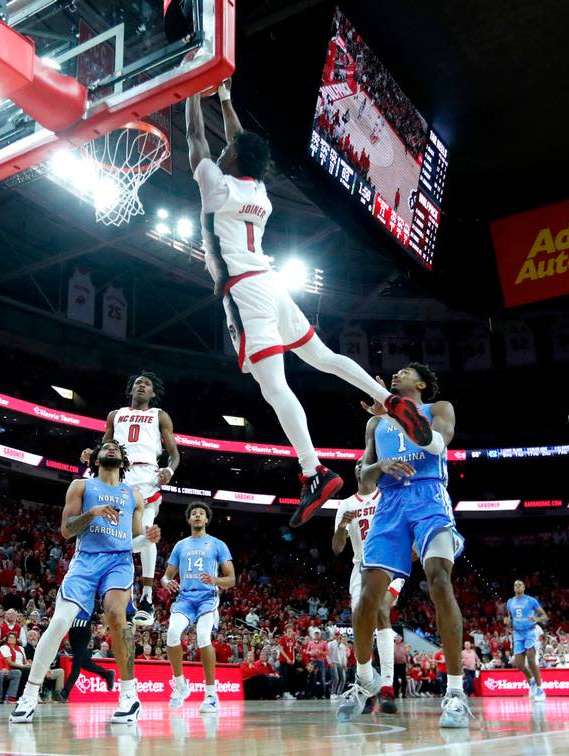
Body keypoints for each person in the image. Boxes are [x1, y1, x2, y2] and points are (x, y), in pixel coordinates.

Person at [185, 82, 433, 525]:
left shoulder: (217, 186)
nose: (221, 151)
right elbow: (237, 142)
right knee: (323, 356)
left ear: (233, 160)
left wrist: (189, 93)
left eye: (228, 151)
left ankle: (312, 471)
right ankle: (387, 398)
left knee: (273, 386)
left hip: (245, 292)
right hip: (273, 284)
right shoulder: (258, 191)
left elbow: (194, 139)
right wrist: (224, 96)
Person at [337, 363, 470, 728]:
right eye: (394, 374)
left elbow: (439, 441)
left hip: (428, 496)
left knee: (439, 580)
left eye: (405, 372)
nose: (396, 375)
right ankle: (364, 680)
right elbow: (362, 475)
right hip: (389, 504)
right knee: (367, 597)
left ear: (422, 383)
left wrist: (397, 411)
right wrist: (381, 463)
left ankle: (456, 693)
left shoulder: (438, 408)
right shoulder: (373, 424)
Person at [10, 440, 160, 724]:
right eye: (107, 446)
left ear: (124, 460)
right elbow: (67, 532)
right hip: (86, 561)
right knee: (59, 622)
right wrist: (92, 513)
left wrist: (148, 539)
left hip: (118, 561)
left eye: (116, 446)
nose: (112, 447)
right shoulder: (81, 486)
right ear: (96, 458)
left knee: (117, 615)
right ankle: (29, 694)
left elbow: (134, 542)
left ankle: (129, 695)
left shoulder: (134, 496)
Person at [81, 371, 181, 627]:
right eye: (138, 383)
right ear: (131, 389)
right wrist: (91, 455)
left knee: (146, 533)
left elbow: (174, 454)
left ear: (153, 393)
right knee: (113, 536)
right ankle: (115, 593)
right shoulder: (115, 415)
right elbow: (104, 448)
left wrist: (169, 470)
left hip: (147, 476)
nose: (141, 386)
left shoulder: (159, 415)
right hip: (119, 477)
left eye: (147, 384)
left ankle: (147, 597)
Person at [330, 459, 406, 712]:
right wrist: (342, 526)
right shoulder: (346, 504)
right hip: (360, 567)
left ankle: (387, 686)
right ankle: (366, 682)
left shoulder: (387, 495)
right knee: (359, 618)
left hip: (389, 563)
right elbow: (337, 548)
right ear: (355, 472)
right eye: (359, 465)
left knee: (382, 612)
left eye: (368, 463)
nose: (363, 467)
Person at [161, 501, 235, 713]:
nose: (197, 516)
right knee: (172, 634)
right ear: (188, 519)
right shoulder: (180, 545)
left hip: (207, 598)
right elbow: (166, 577)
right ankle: (181, 685)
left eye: (201, 514)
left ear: (206, 520)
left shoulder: (217, 544)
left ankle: (211, 694)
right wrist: (168, 582)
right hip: (185, 598)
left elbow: (231, 579)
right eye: (194, 514)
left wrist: (215, 580)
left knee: (203, 637)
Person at [505, 579, 550, 701]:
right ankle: (532, 681)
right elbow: (510, 620)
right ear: (514, 588)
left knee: (530, 660)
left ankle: (540, 690)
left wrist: (536, 619)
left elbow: (545, 616)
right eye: (515, 585)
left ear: (524, 587)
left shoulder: (531, 600)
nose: (517, 586)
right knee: (519, 664)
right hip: (517, 634)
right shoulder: (509, 602)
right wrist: (507, 622)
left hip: (530, 632)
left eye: (520, 584)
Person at [60, 609, 114, 701]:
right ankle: (107, 674)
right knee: (84, 662)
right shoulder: (72, 597)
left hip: (83, 631)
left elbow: (102, 614)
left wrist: (105, 627)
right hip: (72, 631)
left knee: (76, 665)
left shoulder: (90, 598)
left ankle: (65, 692)